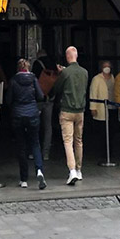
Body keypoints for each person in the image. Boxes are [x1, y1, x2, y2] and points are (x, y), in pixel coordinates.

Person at [5, 58, 47, 190]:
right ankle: (39, 171)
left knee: (21, 146)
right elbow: (40, 96)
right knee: (35, 144)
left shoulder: (13, 81)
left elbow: (8, 100)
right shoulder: (33, 80)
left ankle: (24, 179)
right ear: (28, 68)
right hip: (32, 114)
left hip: (18, 115)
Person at [49, 45, 88, 185]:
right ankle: (79, 169)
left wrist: (61, 74)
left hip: (67, 110)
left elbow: (57, 88)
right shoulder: (84, 72)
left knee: (68, 141)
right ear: (76, 56)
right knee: (79, 141)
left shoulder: (65, 73)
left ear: (67, 57)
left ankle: (71, 171)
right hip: (80, 111)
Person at [31, 48, 57, 161]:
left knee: (34, 125)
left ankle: (34, 152)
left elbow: (33, 80)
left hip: (38, 99)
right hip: (50, 98)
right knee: (48, 126)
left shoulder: (37, 64)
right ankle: (46, 153)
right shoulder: (53, 64)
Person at [89, 60, 114, 124]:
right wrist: (93, 108)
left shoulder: (113, 78)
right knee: (102, 126)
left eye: (108, 66)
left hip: (112, 106)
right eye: (105, 66)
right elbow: (93, 93)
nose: (107, 68)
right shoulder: (96, 78)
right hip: (101, 107)